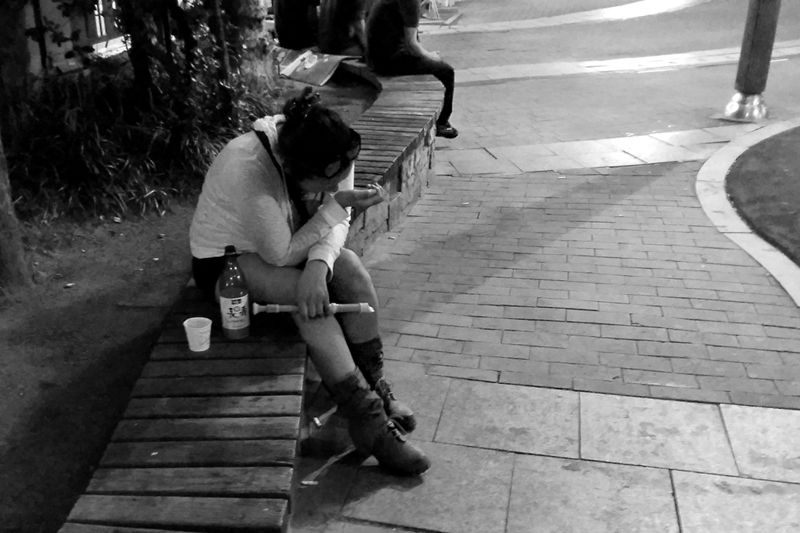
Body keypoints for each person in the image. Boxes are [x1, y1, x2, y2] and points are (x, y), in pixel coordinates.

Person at [189, 87, 430, 476]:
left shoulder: (331, 148)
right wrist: (335, 209)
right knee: (302, 296)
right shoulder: (247, 168)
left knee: (350, 268)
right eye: (323, 184)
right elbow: (282, 254)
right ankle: (368, 421)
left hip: (290, 242)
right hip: (228, 261)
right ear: (293, 169)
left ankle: (376, 385)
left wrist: (319, 264)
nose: (333, 187)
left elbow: (337, 218)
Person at [365, 0, 458, 138]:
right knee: (446, 72)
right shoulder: (411, 2)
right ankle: (441, 123)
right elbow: (412, 45)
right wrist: (432, 57)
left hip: (375, 58)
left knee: (429, 63)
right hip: (390, 61)